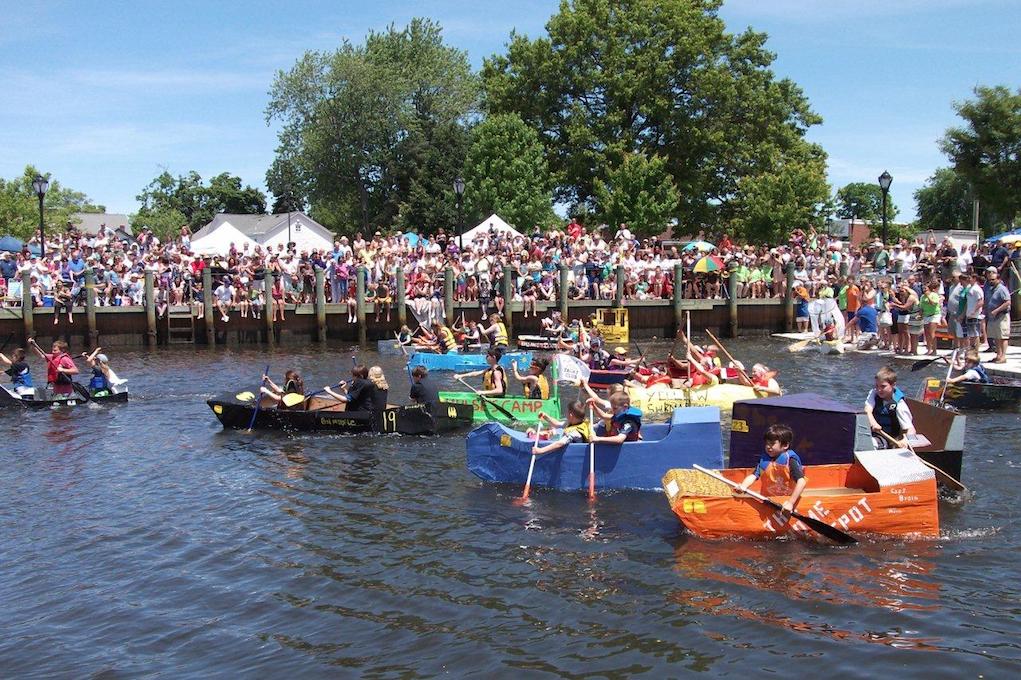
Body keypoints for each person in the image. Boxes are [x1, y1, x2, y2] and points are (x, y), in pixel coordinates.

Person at [736, 423, 806, 517]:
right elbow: (754, 475)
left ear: (785, 445)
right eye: (767, 443)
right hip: (768, 500)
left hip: (786, 501)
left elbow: (801, 481)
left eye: (772, 444)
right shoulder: (765, 460)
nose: (768, 447)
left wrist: (790, 503)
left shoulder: (790, 460)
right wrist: (744, 486)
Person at [864, 366, 916, 449]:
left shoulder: (899, 404)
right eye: (877, 386)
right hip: (871, 433)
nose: (879, 390)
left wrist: (905, 441)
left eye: (883, 386)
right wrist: (874, 424)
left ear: (893, 385)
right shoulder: (873, 393)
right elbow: (867, 410)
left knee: (871, 443)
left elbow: (911, 429)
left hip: (889, 440)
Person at [983, 268, 1011, 363]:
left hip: (1001, 316)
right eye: (990, 280)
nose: (991, 281)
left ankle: (1003, 356)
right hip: (992, 317)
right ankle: (998, 355)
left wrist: (996, 310)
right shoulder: (990, 289)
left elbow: (1007, 302)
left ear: (998, 279)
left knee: (1002, 337)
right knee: (996, 337)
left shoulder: (1002, 289)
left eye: (993, 280)